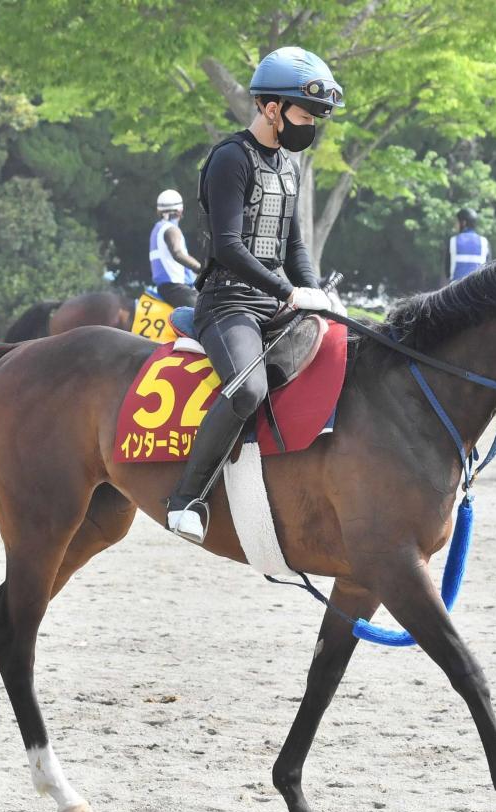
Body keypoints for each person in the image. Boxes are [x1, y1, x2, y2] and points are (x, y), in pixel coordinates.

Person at [165, 46, 344, 542]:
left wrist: (314, 292)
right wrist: (289, 291)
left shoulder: (290, 166)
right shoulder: (229, 159)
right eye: (304, 114)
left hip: (273, 302)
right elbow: (228, 245)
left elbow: (293, 244)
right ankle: (186, 500)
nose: (309, 125)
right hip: (228, 303)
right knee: (247, 388)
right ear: (271, 108)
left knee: (344, 352)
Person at [149, 189, 201, 308]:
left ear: (159, 211)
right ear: (179, 211)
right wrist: (202, 269)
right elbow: (177, 253)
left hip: (167, 288)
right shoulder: (171, 229)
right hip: (176, 289)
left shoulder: (158, 228)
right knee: (204, 315)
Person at [448, 207, 490, 281]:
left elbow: (447, 271)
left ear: (463, 223)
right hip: (478, 288)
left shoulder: (453, 241)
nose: (455, 225)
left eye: (457, 222)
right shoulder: (484, 242)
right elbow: (488, 267)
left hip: (455, 289)